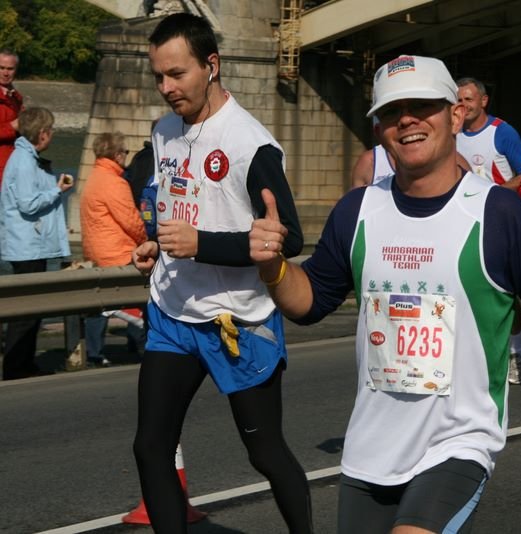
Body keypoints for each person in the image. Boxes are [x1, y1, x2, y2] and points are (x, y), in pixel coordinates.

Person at [250, 54, 521, 533]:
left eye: (421, 106)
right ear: (381, 128)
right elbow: (309, 302)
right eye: (390, 111)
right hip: (370, 447)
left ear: (455, 114)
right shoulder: (358, 210)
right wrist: (272, 266)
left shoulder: (498, 213)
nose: (406, 120)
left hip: (457, 441)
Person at [130, 13, 312, 533]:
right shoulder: (164, 131)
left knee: (266, 454)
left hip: (237, 322)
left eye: (177, 75)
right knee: (150, 446)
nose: (166, 89)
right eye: (158, 77)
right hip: (173, 313)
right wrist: (156, 244)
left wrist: (200, 244)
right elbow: (179, 202)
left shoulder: (248, 144)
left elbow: (289, 239)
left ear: (211, 66)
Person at [456, 76, 521, 385]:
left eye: (469, 100)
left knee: (503, 289)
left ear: (483, 101)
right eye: (458, 100)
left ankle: (515, 348)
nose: (463, 106)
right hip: (463, 221)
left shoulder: (502, 133)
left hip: (499, 220)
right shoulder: (451, 132)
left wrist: (495, 193)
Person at [0, 107, 73, 379]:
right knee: (25, 313)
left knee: (31, 310)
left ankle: (24, 364)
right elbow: (28, 203)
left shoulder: (26, 158)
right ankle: (16, 367)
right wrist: (58, 190)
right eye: (50, 130)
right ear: (42, 134)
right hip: (26, 245)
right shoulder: (23, 161)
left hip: (31, 243)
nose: (51, 135)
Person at [80, 132, 147, 367]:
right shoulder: (114, 182)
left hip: (96, 250)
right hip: (116, 250)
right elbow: (131, 220)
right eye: (125, 152)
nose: (126, 157)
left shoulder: (94, 177)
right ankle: (140, 343)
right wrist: (146, 239)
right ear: (117, 155)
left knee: (99, 304)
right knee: (143, 295)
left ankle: (94, 353)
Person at [0, 48, 23, 186]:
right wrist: (12, 126)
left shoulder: (15, 97)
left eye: (10, 69)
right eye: (1, 68)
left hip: (11, 166)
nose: (5, 73)